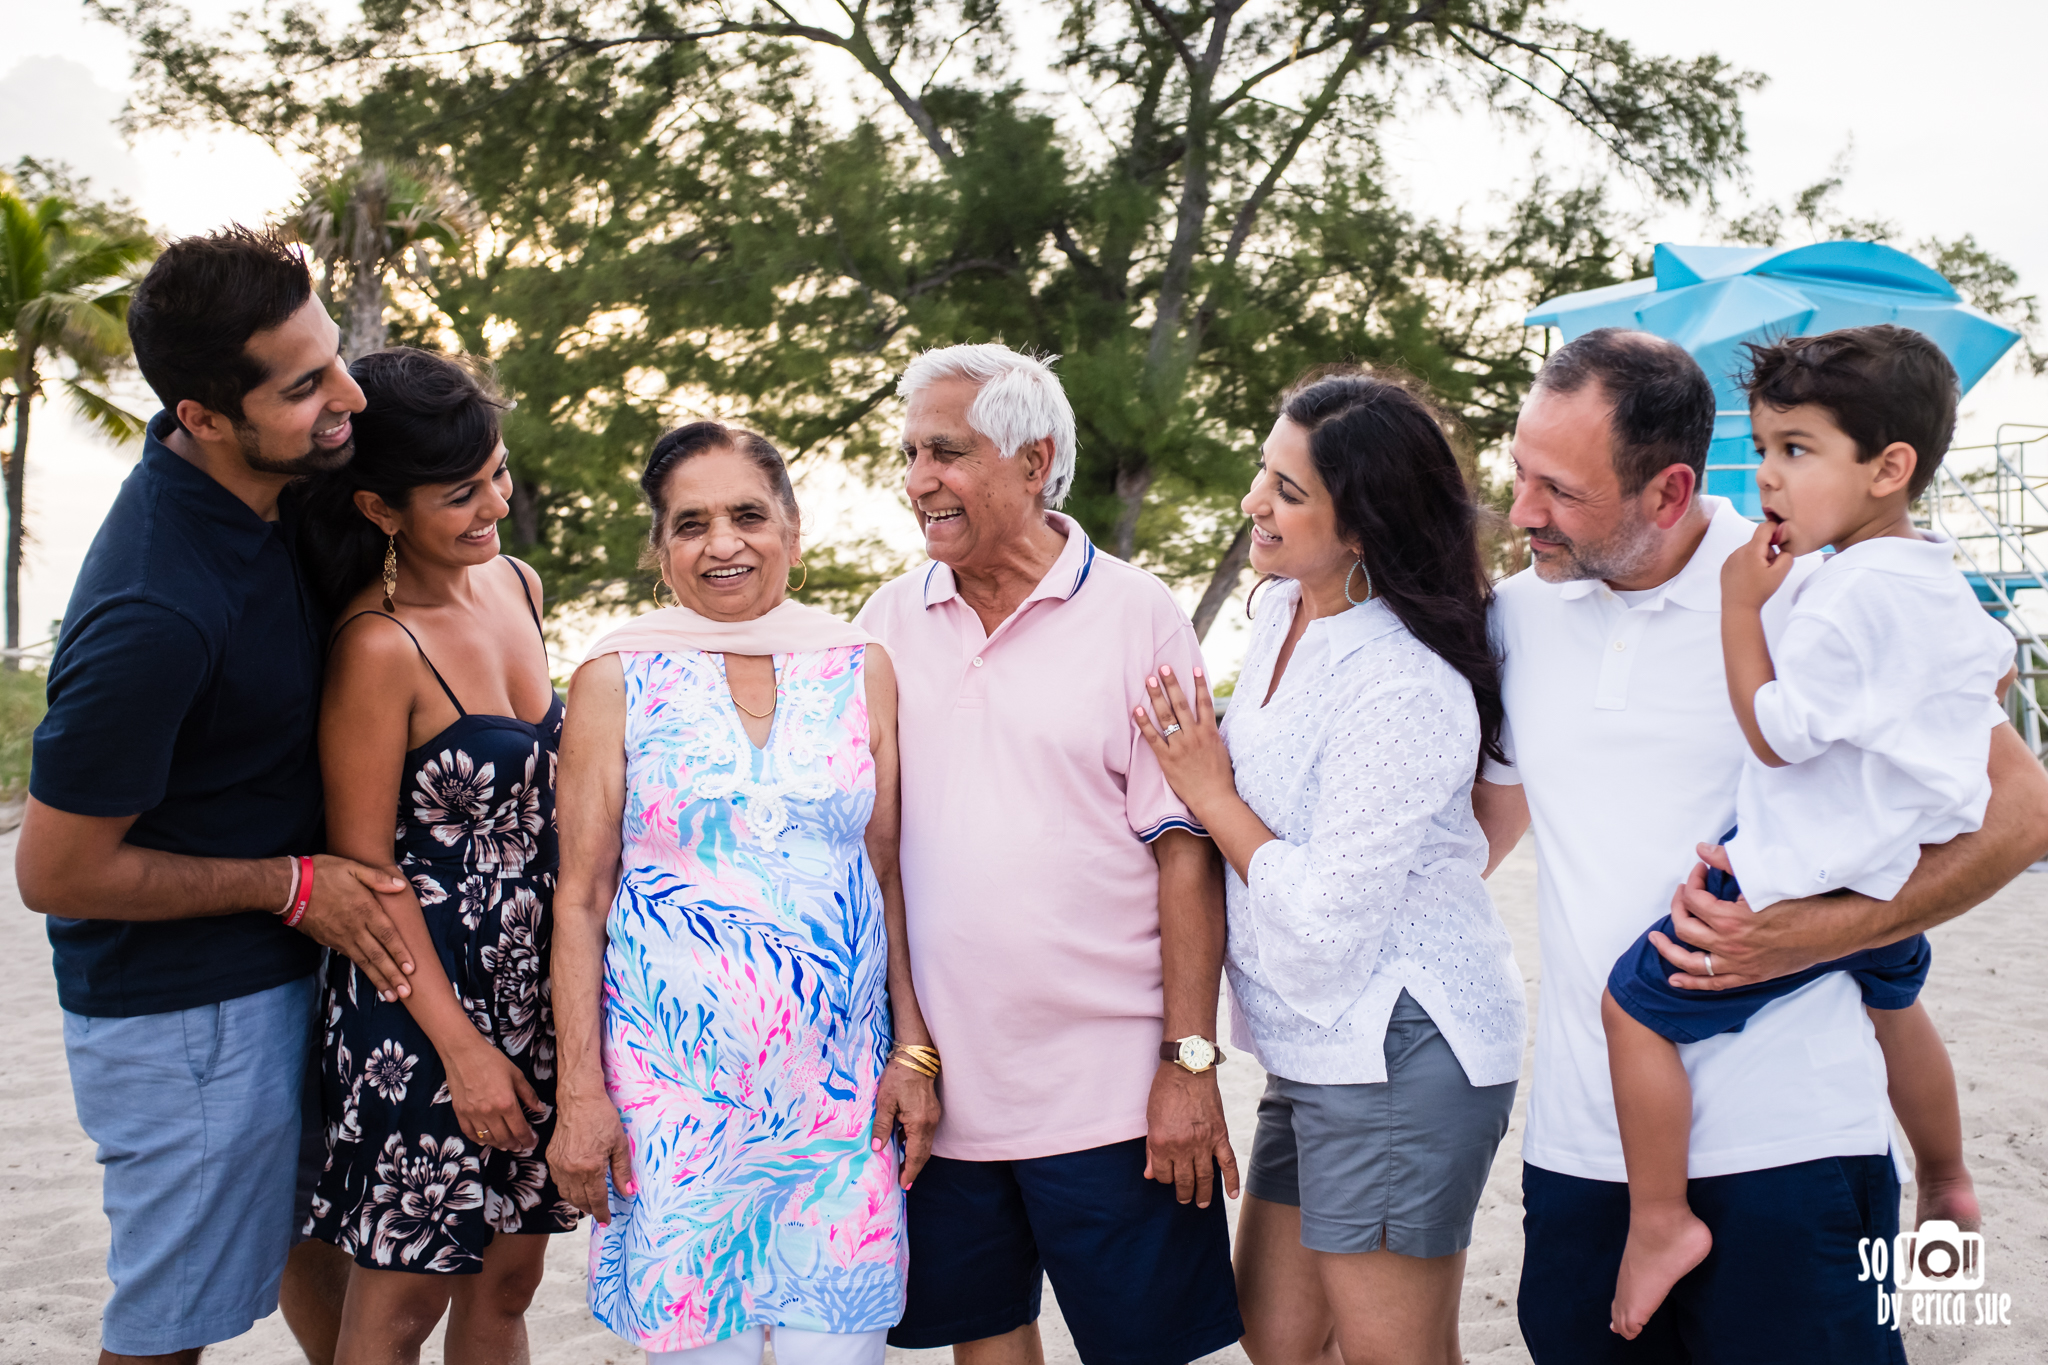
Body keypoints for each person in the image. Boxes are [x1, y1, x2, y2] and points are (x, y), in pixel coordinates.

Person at [1474, 326, 2048, 1364]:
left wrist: (1815, 934)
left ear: (1666, 490)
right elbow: (1478, 833)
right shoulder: (1513, 617)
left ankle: (1942, 1182)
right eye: (1519, 475)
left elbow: (2020, 814)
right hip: (1578, 1150)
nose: (1522, 514)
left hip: (1797, 1149)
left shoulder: (1813, 592)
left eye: (1556, 489)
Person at [15, 227, 420, 1365]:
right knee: (171, 1329)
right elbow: (53, 871)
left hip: (278, 972)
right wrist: (291, 885)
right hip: (183, 1017)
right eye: (303, 386)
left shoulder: (273, 487)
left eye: (331, 356)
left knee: (317, 1248)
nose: (345, 395)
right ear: (201, 416)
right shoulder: (153, 609)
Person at [1599, 326, 2008, 1337]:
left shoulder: (1834, 598)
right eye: (1761, 447)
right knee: (1890, 997)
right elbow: (1990, 667)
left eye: (1794, 450)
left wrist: (1741, 612)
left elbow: (1776, 738)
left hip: (1801, 875)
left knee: (1629, 1008)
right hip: (1886, 865)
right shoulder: (1928, 572)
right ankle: (1947, 1175)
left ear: (1887, 468)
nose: (1767, 477)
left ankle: (1656, 1222)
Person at [854, 344, 1243, 1365]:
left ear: (1032, 462)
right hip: (944, 1093)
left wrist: (1186, 1064)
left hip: (1115, 1093)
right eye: (909, 456)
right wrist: (907, 1049)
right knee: (984, 1342)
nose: (918, 482)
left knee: (1148, 1350)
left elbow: (1186, 851)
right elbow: (874, 860)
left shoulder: (1137, 614)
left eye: (947, 453)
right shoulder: (884, 625)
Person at [1134, 369, 1526, 1365]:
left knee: (1394, 1356)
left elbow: (1320, 914)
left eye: (1288, 492)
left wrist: (1206, 789)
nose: (1252, 504)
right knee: (1277, 1338)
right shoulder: (1278, 613)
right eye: (1263, 473)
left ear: (1363, 527)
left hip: (1395, 1050)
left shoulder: (1399, 681)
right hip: (1315, 1047)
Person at [547, 420, 937, 1365]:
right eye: (691, 523)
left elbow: (885, 875)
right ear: (661, 548)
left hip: (836, 1097)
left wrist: (914, 1054)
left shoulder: (859, 665)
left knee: (840, 1350)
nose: (722, 542)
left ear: (792, 532)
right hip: (673, 1102)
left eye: (747, 515)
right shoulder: (615, 674)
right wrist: (580, 1094)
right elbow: (581, 899)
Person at [290, 347, 581, 1361]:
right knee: (403, 1304)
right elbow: (365, 876)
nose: (491, 504)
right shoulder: (377, 647)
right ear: (378, 510)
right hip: (419, 1009)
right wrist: (461, 1052)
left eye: (496, 474)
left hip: (532, 992)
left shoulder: (517, 584)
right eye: (458, 494)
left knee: (508, 1288)